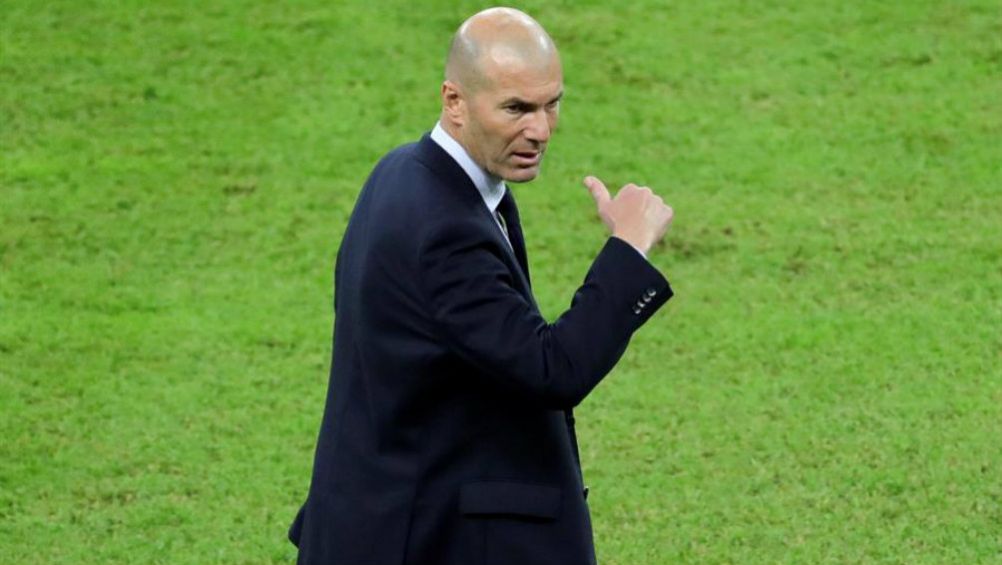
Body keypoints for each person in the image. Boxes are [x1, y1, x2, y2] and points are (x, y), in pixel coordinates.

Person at [288, 7, 675, 565]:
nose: (540, 130)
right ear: (455, 101)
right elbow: (553, 370)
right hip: (423, 539)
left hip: (394, 511)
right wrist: (628, 249)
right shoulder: (444, 230)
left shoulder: (404, 172)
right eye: (516, 109)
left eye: (551, 104)